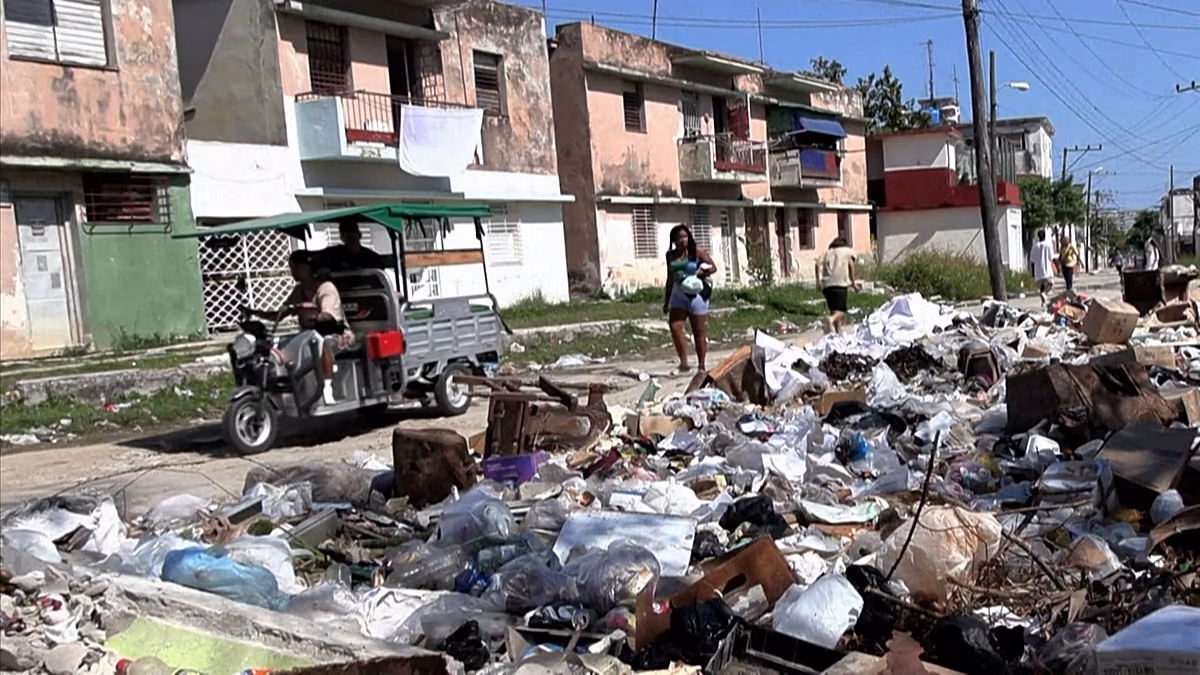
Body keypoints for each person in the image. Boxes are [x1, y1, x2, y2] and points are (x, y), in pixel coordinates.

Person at [246, 250, 353, 403]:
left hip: (336, 335)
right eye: (292, 267)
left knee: (321, 342)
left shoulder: (326, 288)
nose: (293, 271)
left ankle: (327, 387)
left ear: (310, 268)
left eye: (297, 266)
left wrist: (310, 312)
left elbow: (328, 315)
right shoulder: (299, 290)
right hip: (308, 335)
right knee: (280, 346)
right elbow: (280, 314)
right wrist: (254, 312)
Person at [662, 225, 717, 374]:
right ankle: (684, 362)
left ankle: (701, 365)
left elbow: (713, 267)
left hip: (696, 295)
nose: (682, 240)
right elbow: (670, 277)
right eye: (679, 237)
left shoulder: (696, 251)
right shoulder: (670, 255)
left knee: (698, 331)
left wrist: (700, 273)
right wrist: (667, 300)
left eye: (685, 237)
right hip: (678, 294)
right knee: (675, 327)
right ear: (674, 240)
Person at [816, 238, 858, 333]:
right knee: (841, 311)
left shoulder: (826, 253)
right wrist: (853, 283)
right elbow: (851, 265)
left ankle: (837, 332)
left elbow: (817, 264)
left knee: (834, 310)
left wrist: (818, 281)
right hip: (840, 284)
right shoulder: (847, 251)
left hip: (827, 285)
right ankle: (831, 319)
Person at [318, 221, 385, 271]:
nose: (351, 240)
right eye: (347, 236)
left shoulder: (372, 258)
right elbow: (316, 258)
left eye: (353, 235)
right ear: (341, 238)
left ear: (359, 235)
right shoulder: (333, 254)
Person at [1029, 229, 1055, 307]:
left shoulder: (1035, 246)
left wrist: (1032, 270)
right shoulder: (1048, 245)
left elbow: (1032, 259)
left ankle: (1043, 301)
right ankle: (1044, 294)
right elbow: (1051, 257)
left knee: (1041, 286)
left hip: (1038, 268)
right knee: (1051, 283)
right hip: (1047, 268)